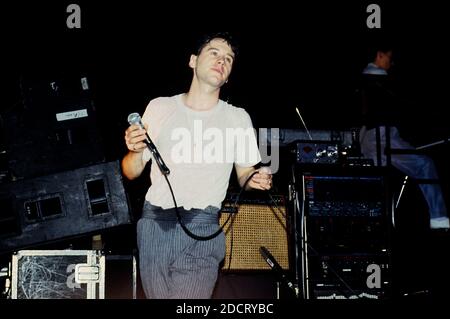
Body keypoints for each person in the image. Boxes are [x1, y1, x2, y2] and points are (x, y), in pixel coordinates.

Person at [121, 32, 273, 299]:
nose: (221, 61)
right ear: (193, 60)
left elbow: (245, 173)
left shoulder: (237, 117)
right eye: (214, 53)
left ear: (229, 75)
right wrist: (135, 150)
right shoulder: (159, 107)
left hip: (203, 226)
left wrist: (255, 178)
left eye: (228, 59)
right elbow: (131, 171)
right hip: (155, 224)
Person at [357, 44, 449, 230]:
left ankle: (372, 228)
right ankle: (439, 221)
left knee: (379, 185)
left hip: (367, 138)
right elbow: (406, 106)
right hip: (381, 138)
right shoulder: (380, 81)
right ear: (379, 54)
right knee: (425, 165)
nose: (391, 63)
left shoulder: (364, 81)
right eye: (389, 57)